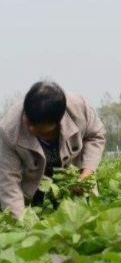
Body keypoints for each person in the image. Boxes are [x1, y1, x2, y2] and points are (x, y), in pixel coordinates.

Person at [0, 81, 106, 218]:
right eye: (28, 121)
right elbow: (9, 183)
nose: (31, 129)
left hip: (74, 184)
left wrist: (86, 174)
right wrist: (21, 224)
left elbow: (96, 135)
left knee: (85, 219)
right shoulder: (8, 129)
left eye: (38, 128)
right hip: (32, 189)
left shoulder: (79, 109)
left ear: (58, 121)